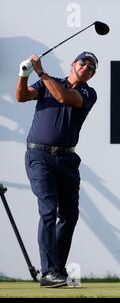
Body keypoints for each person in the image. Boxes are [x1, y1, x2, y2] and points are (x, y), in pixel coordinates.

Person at [15, 52, 98, 288]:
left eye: (91, 68)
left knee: (70, 215)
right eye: (83, 63)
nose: (86, 68)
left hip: (67, 159)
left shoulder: (87, 92)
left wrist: (40, 71)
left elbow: (62, 98)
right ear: (73, 64)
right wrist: (23, 75)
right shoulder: (46, 83)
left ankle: (58, 269)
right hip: (39, 156)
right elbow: (21, 96)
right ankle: (49, 272)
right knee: (49, 210)